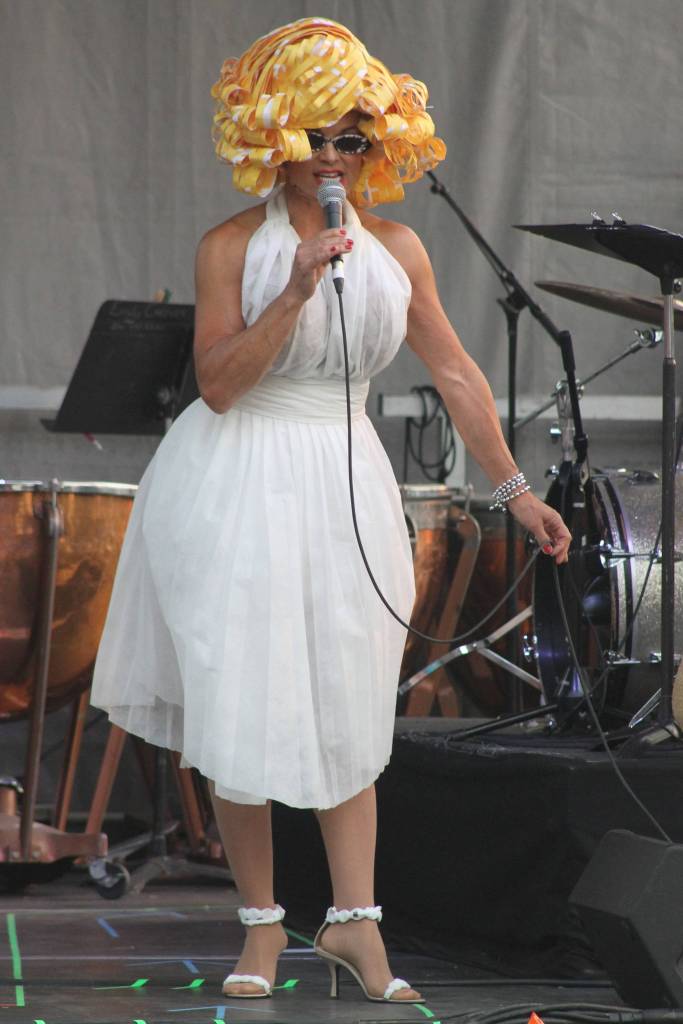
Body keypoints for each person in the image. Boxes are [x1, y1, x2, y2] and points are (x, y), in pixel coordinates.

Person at [91, 17, 571, 1006]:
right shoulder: (231, 247)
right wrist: (294, 296)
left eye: (357, 139)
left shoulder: (394, 248)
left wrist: (516, 492)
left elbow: (453, 371)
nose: (339, 157)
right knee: (241, 698)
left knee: (350, 693)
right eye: (321, 137)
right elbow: (217, 386)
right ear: (276, 138)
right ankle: (262, 927)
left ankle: (355, 925)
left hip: (343, 474)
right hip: (234, 473)